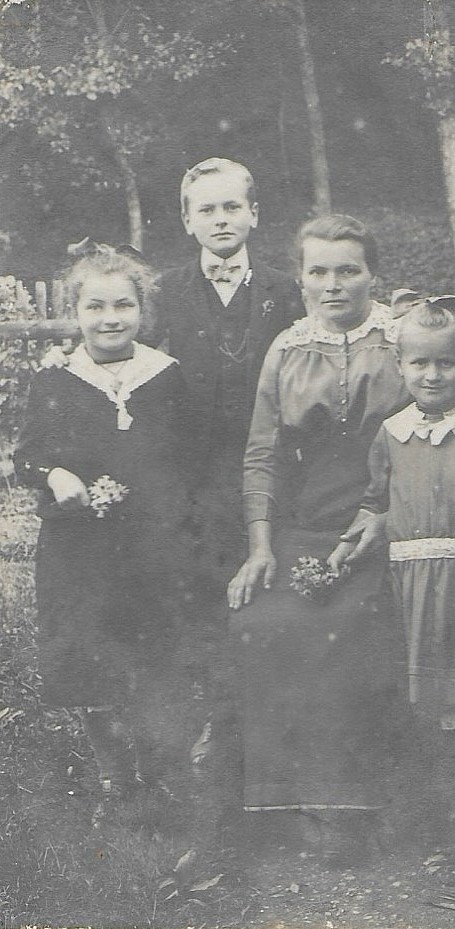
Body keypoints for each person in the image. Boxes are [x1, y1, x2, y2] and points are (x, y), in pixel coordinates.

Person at [227, 214, 411, 863]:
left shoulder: (401, 339)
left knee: (353, 629)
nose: (332, 284)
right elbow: (262, 456)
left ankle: (350, 812)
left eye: (348, 270)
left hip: (390, 520)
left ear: (372, 274)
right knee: (260, 623)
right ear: (301, 278)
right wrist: (260, 547)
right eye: (318, 271)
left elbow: (431, 439)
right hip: (304, 525)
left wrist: (384, 515)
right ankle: (279, 806)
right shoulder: (286, 348)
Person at [330, 298, 455, 845]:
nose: (432, 374)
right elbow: (376, 500)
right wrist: (357, 534)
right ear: (399, 366)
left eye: (446, 363)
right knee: (442, 696)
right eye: (419, 362)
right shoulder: (392, 432)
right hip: (417, 583)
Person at [13, 244, 202, 840]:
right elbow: (26, 456)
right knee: (91, 660)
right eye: (95, 306)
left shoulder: (166, 377)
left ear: (142, 309)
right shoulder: (55, 380)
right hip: (81, 555)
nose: (110, 318)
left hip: (151, 551)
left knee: (153, 659)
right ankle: (115, 779)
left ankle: (158, 774)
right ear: (75, 312)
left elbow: (189, 459)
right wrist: (54, 474)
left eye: (123, 305)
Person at [150, 156, 304, 598]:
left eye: (232, 207)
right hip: (194, 461)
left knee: (269, 572)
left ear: (253, 214)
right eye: (206, 210)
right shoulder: (166, 290)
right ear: (187, 221)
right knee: (200, 573)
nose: (220, 220)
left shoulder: (285, 289)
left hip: (268, 456)